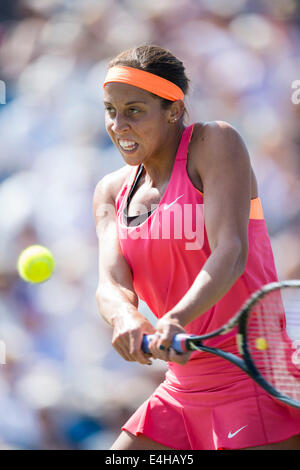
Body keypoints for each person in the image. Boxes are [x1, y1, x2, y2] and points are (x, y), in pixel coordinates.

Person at [93, 44, 300, 450]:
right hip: (181, 387)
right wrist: (125, 318)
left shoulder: (215, 142)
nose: (119, 124)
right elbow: (110, 284)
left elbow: (231, 252)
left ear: (172, 110)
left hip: (254, 378)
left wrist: (174, 319)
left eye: (134, 110)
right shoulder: (110, 191)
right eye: (110, 110)